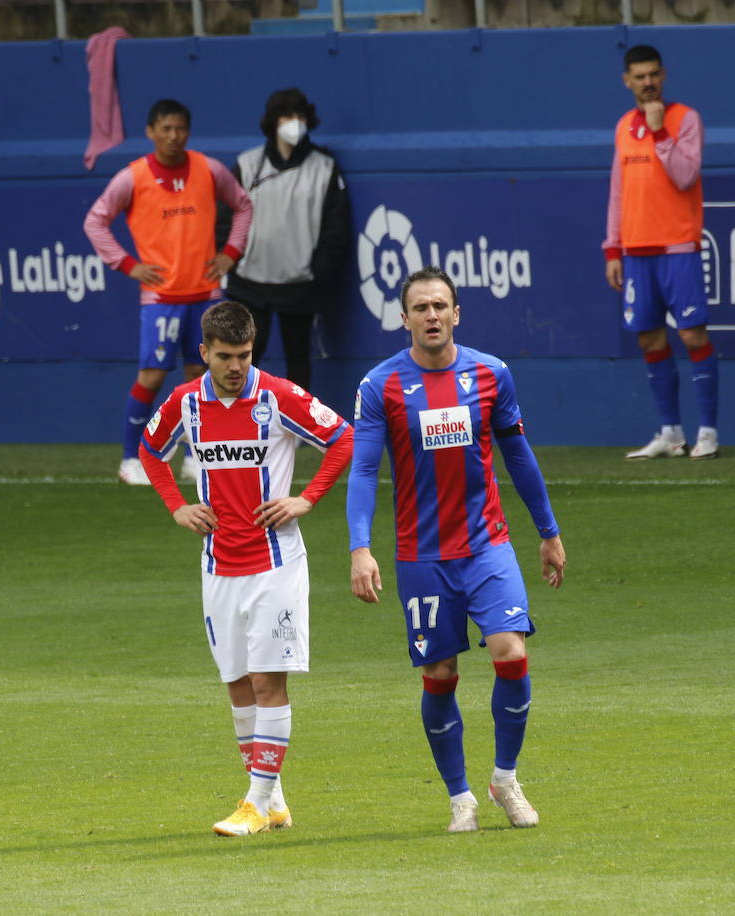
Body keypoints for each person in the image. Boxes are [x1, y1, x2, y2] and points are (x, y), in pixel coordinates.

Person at [346, 266, 566, 833]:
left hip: (487, 545)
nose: (432, 316)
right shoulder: (380, 386)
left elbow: (519, 456)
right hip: (422, 557)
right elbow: (364, 469)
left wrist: (548, 531)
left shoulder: (491, 374)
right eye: (421, 308)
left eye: (440, 306)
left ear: (457, 313)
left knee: (510, 652)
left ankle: (505, 779)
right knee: (441, 672)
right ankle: (459, 797)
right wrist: (360, 548)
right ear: (404, 319)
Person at [138, 300, 353, 836]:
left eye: (245, 355)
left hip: (275, 564)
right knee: (237, 685)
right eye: (225, 357)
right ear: (204, 352)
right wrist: (177, 505)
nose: (236, 367)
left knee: (266, 682)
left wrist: (306, 498)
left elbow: (343, 438)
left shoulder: (278, 396)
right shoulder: (186, 402)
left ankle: (254, 803)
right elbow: (150, 450)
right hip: (218, 566)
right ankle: (274, 802)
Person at [84, 98, 253, 486]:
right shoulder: (133, 177)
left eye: (180, 129)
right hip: (161, 298)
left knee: (202, 374)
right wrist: (127, 264)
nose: (174, 136)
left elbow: (243, 205)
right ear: (151, 132)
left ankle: (197, 457)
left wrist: (231, 253)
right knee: (152, 375)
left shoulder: (209, 169)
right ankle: (131, 459)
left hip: (206, 294)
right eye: (166, 129)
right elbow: (95, 221)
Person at [603, 44, 720, 461]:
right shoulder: (623, 126)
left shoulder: (684, 119)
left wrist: (659, 133)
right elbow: (618, 192)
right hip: (636, 251)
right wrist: (612, 248)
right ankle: (671, 433)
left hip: (677, 246)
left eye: (653, 74)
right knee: (650, 338)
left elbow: (686, 176)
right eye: (639, 76)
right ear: (627, 81)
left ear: (663, 75)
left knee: (692, 335)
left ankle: (708, 432)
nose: (648, 82)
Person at [223, 87, 350, 392]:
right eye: (286, 116)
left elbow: (336, 228)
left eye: (300, 116)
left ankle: (295, 420)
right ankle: (241, 417)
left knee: (298, 355)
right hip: (250, 282)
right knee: (246, 354)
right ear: (273, 121)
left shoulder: (324, 167)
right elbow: (226, 216)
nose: (294, 123)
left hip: (300, 284)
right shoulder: (247, 164)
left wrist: (320, 269)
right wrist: (232, 259)